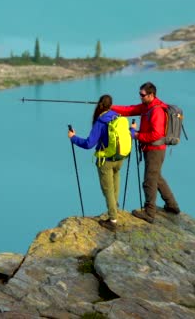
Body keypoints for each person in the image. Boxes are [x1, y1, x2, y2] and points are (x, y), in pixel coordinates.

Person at [111, 81, 180, 223]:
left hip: (155, 150)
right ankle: (172, 205)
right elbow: (129, 110)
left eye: (142, 95)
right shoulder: (146, 106)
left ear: (151, 95)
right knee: (156, 177)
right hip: (152, 149)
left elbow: (156, 134)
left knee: (149, 181)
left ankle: (149, 213)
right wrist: (109, 107)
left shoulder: (156, 111)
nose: (140, 97)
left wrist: (137, 136)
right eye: (140, 94)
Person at [68, 94, 132, 231]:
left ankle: (113, 219)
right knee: (116, 180)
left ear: (100, 105)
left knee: (107, 189)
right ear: (111, 105)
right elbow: (128, 135)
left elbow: (88, 144)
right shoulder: (119, 117)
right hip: (120, 158)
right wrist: (132, 129)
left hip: (106, 161)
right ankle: (115, 206)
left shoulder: (101, 122)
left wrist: (73, 138)